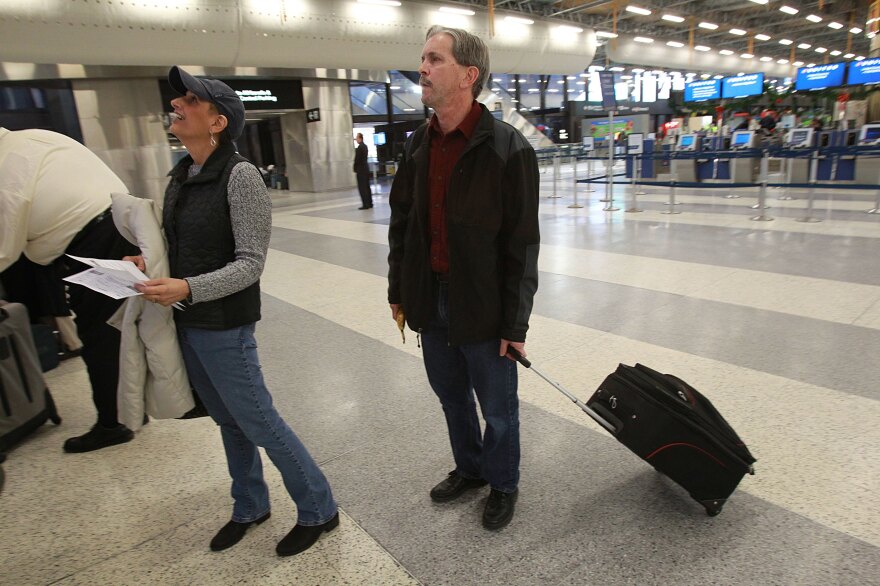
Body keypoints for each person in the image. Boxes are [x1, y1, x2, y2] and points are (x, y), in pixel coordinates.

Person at [133, 67, 338, 556]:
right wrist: (146, 259)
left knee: (260, 421)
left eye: (190, 100)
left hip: (224, 325)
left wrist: (188, 285)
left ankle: (319, 508)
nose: (177, 104)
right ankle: (249, 505)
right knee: (227, 421)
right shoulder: (181, 175)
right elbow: (176, 243)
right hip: (187, 319)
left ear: (218, 121)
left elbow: (250, 264)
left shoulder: (240, 176)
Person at [387, 26, 540, 531]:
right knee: (452, 398)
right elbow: (402, 224)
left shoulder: (508, 149)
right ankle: (471, 469)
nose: (423, 69)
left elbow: (521, 246)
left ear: (468, 75)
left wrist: (515, 324)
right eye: (423, 59)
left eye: (435, 59)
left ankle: (503, 482)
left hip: (485, 305)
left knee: (498, 408)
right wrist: (398, 291)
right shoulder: (417, 145)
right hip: (430, 301)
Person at [0, 127, 140, 453]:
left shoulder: (9, 161)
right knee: (115, 330)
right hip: (114, 228)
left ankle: (112, 424)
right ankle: (129, 409)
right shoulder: (33, 137)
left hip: (94, 242)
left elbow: (6, 245)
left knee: (99, 336)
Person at [353, 133, 373, 209]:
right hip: (366, 169)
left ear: (360, 138)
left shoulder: (359, 148)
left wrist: (355, 168)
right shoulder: (365, 146)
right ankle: (370, 203)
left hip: (361, 170)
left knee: (362, 188)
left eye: (357, 138)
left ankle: (365, 204)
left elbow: (357, 160)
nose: (356, 140)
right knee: (367, 187)